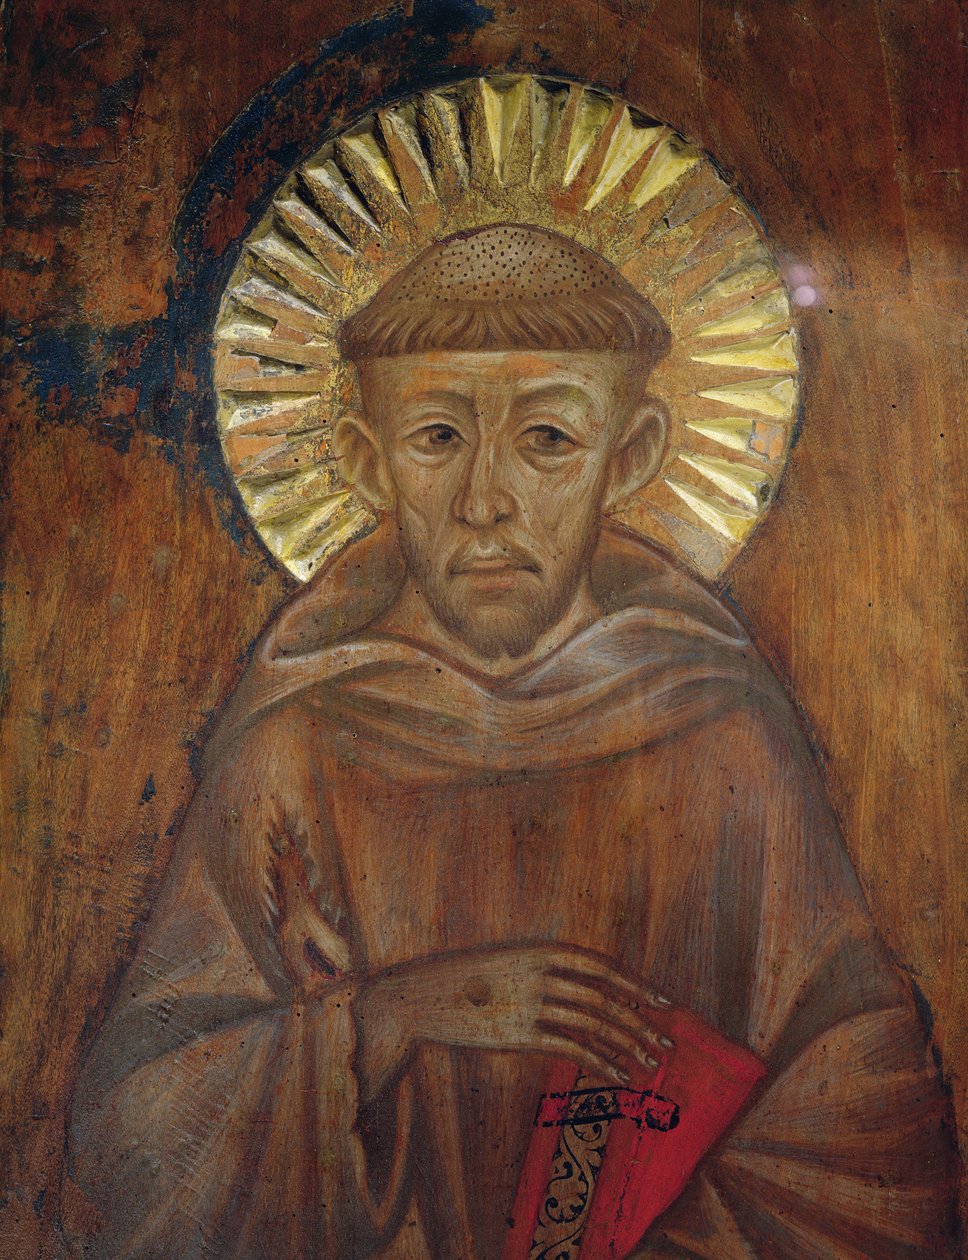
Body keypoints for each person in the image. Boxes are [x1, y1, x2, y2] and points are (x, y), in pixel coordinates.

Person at [70, 224, 958, 1259]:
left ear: (631, 455)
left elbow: (868, 1130)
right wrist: (391, 1018)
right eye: (437, 436)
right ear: (365, 462)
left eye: (546, 438)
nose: (485, 500)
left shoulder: (727, 743)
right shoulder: (294, 752)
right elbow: (142, 1139)